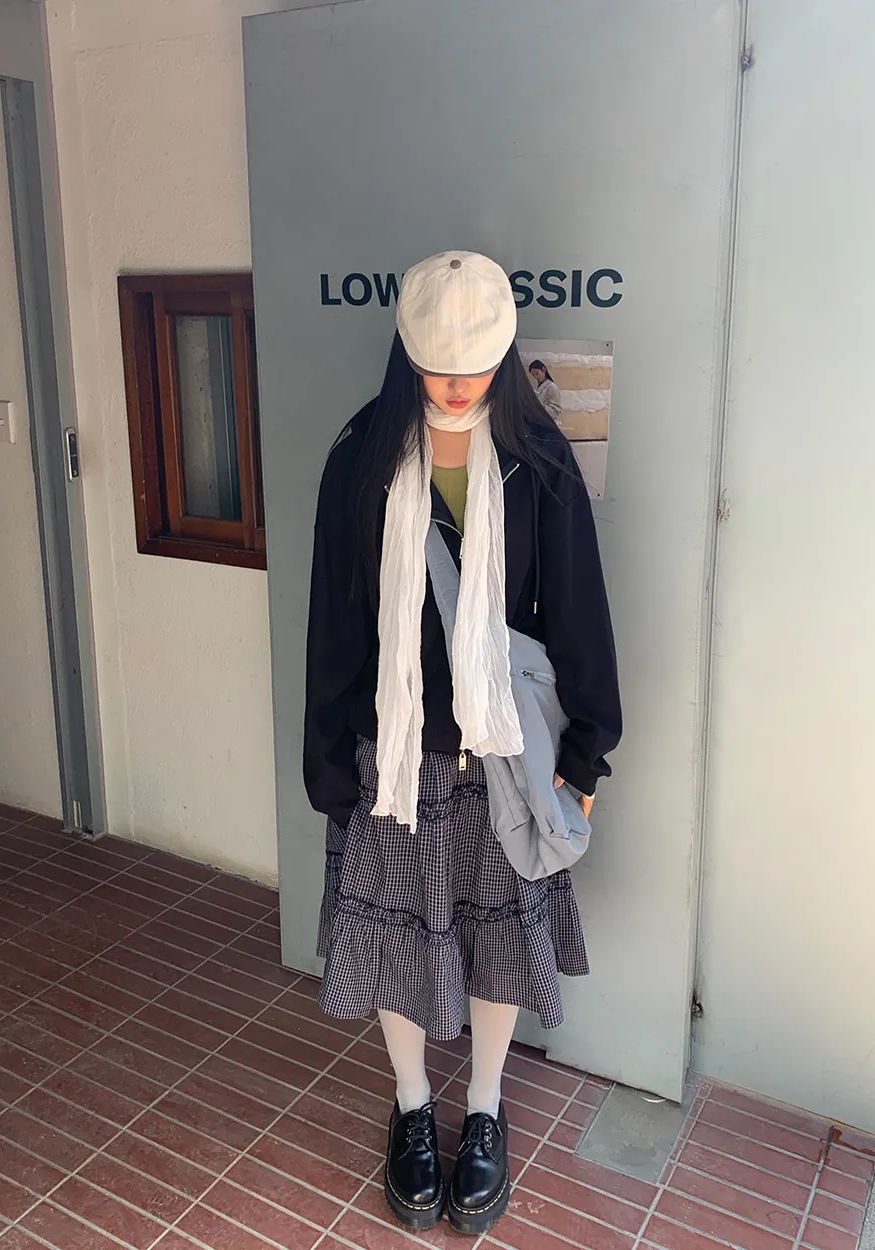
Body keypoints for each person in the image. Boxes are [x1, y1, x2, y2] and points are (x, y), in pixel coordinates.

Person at [304, 251, 622, 1236]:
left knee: (498, 938)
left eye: (476, 364)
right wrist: (326, 748)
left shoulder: (536, 459)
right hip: (392, 754)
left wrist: (587, 753)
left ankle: (483, 1107)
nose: (456, 383)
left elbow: (579, 611)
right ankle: (411, 1105)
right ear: (406, 352)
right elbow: (335, 615)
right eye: (438, 364)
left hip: (502, 755)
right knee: (393, 936)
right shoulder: (361, 457)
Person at [529, 358, 563, 423]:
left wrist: (541, 405)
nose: (536, 377)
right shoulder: (540, 386)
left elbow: (555, 413)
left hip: (548, 423)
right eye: (533, 375)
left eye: (537, 373)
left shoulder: (552, 387)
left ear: (544, 369)